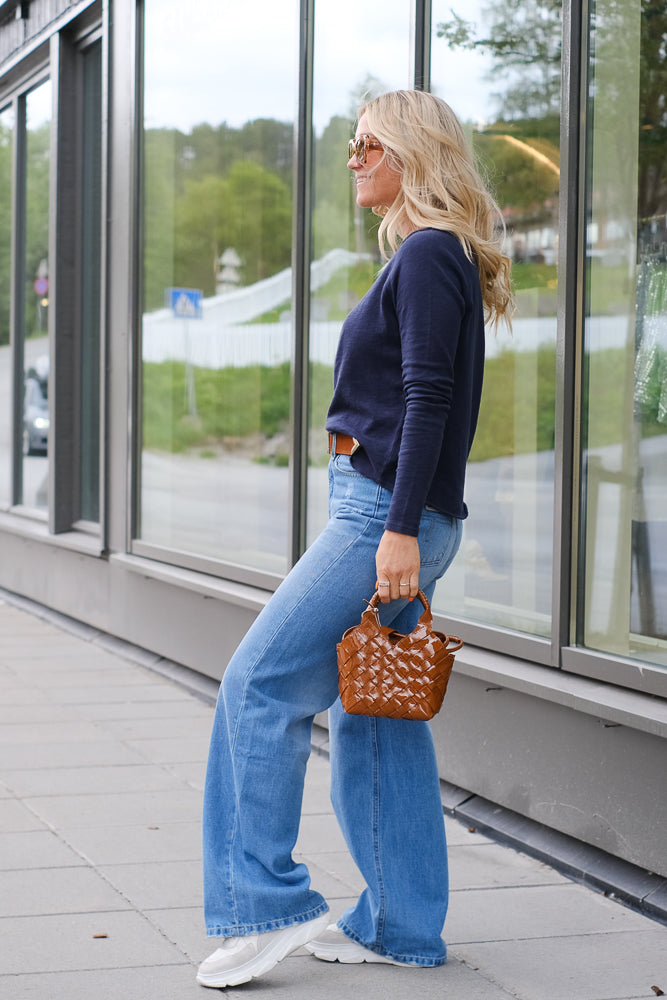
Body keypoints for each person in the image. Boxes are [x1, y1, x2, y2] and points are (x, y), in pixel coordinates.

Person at [197, 88, 513, 989]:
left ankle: (261, 906)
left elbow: (426, 400)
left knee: (257, 685)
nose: (352, 157)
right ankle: (401, 926)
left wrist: (401, 529)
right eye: (351, 143)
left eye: (367, 143)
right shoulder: (434, 255)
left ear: (411, 153)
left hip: (383, 512)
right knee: (375, 719)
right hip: (389, 509)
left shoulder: (424, 255)